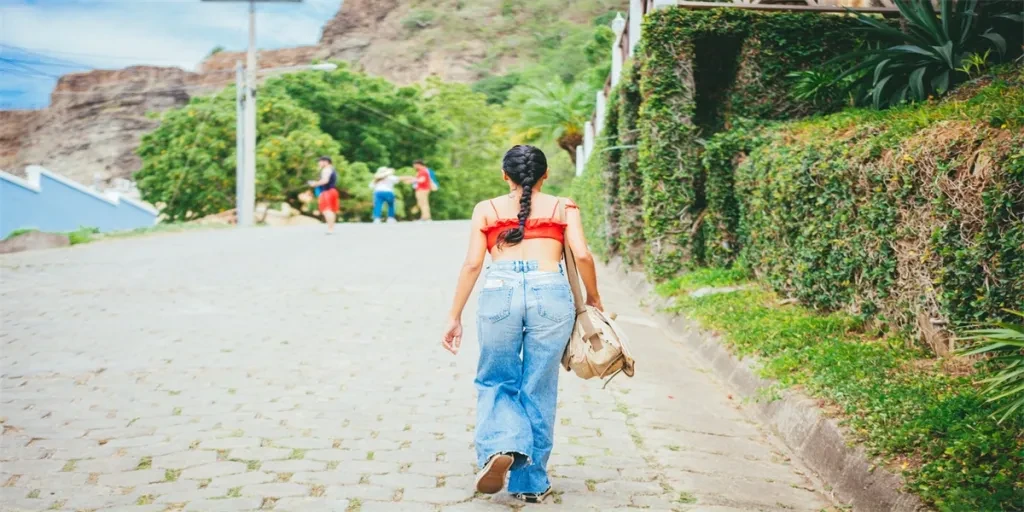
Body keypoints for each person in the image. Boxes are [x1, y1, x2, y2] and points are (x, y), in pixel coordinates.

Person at [441, 145, 603, 503]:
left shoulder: (486, 209)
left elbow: (471, 265)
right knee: (538, 384)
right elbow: (582, 255)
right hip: (551, 293)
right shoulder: (564, 206)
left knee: (496, 377)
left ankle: (501, 445)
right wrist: (593, 297)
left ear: (505, 175)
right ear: (545, 175)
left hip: (500, 290)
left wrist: (454, 316)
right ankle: (529, 482)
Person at [308, 156, 339, 234]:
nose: (319, 163)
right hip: (333, 191)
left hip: (327, 192)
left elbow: (325, 180)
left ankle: (330, 229)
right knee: (331, 210)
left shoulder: (326, 169)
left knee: (326, 210)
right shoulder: (332, 169)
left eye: (320, 161)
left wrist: (315, 183)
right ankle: (331, 228)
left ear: (326, 162)